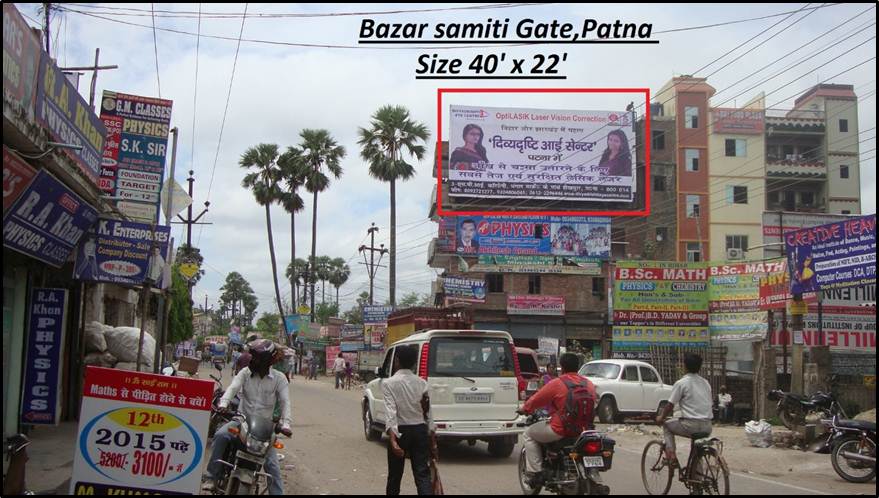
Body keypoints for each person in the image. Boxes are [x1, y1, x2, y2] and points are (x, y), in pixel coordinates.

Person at [202, 339, 292, 495]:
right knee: (221, 435)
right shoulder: (245, 373)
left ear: (268, 361)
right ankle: (211, 477)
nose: (253, 360)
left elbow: (285, 402)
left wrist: (286, 424)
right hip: (241, 421)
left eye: (257, 358)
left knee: (272, 465)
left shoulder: (279, 379)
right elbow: (233, 388)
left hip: (263, 429)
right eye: (253, 357)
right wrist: (224, 403)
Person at [519, 353, 596, 485]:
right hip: (584, 431)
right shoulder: (589, 384)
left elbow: (537, 399)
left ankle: (536, 473)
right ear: (578, 367)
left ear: (562, 367)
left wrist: (525, 408)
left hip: (560, 429)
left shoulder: (558, 383)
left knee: (528, 433)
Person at [382, 345, 437, 495]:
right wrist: (432, 440)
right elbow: (428, 413)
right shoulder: (422, 383)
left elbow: (391, 412)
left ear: (397, 361)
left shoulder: (388, 383)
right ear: (414, 363)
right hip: (420, 431)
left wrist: (393, 441)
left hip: (400, 432)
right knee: (422, 475)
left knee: (394, 475)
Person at [655, 352, 713, 468]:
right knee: (697, 449)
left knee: (666, 425)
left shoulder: (681, 383)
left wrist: (661, 417)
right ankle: (697, 478)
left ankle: (671, 457)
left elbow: (670, 405)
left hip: (690, 425)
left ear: (684, 366)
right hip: (707, 426)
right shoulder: (706, 383)